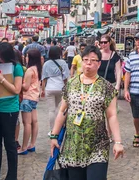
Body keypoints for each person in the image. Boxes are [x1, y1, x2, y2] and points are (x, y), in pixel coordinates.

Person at [50, 45, 124, 180]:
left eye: (92, 60)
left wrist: (118, 142)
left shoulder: (106, 87)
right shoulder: (71, 84)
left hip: (97, 145)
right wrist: (54, 136)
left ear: (99, 63)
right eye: (85, 60)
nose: (88, 63)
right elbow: (62, 111)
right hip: (73, 145)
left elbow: (112, 115)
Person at [0, 41, 23, 180]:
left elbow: (16, 90)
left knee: (10, 144)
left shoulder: (17, 67)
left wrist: (1, 79)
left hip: (10, 111)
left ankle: (11, 176)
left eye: (1, 56)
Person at [19, 48, 42, 155]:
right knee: (34, 121)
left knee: (27, 123)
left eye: (27, 56)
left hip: (27, 98)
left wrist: (18, 83)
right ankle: (32, 144)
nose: (25, 58)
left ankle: (23, 147)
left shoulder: (29, 70)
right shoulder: (38, 68)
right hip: (34, 98)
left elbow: (25, 87)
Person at [42, 45, 70, 128]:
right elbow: (65, 78)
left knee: (51, 110)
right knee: (59, 108)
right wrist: (67, 87)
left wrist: (42, 90)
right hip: (60, 88)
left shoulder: (46, 64)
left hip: (49, 88)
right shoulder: (63, 63)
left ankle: (52, 130)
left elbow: (44, 78)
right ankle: (59, 128)